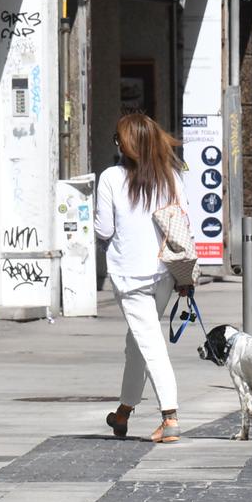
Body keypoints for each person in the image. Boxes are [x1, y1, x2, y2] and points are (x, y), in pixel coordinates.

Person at [95, 113, 193, 445]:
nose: (117, 143)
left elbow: (104, 230)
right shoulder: (172, 179)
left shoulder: (110, 178)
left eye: (119, 138)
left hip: (130, 275)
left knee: (149, 343)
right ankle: (124, 410)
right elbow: (184, 224)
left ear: (129, 144)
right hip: (165, 274)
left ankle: (170, 417)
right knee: (136, 343)